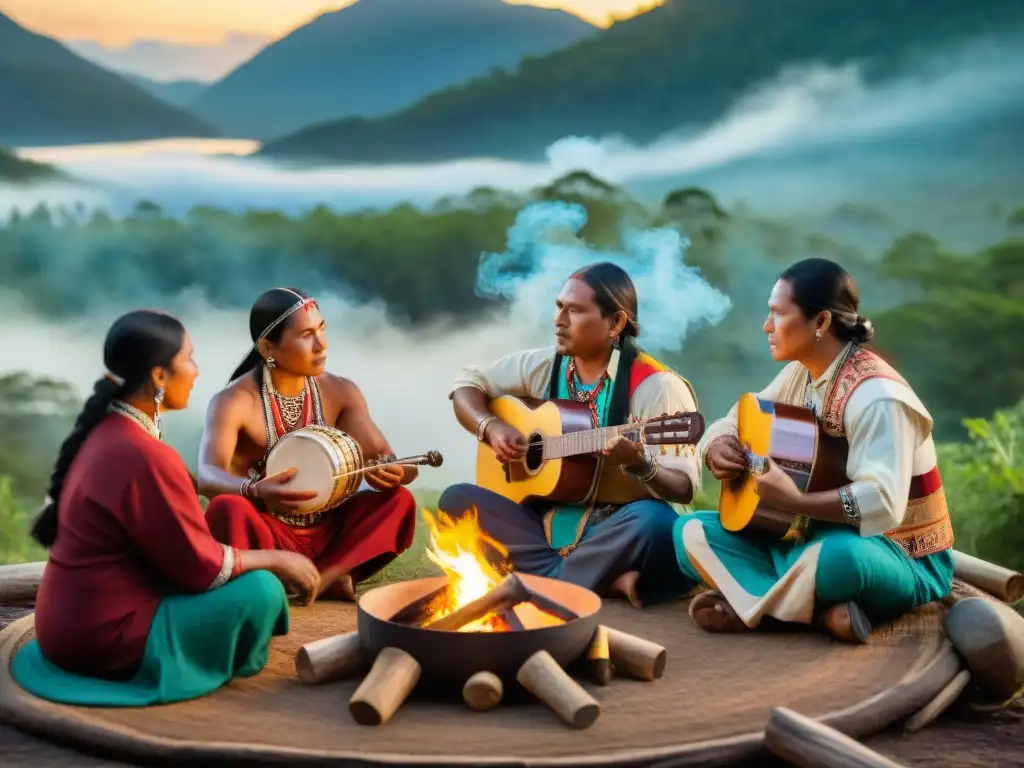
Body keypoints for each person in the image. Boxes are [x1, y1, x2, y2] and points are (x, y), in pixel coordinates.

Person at [12, 310, 318, 706]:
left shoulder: (107, 431)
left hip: (63, 627)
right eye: (188, 358)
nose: (196, 369)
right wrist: (278, 560)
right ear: (159, 376)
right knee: (261, 590)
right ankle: (201, 663)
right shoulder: (142, 454)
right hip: (103, 640)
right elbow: (200, 570)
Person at [673, 258, 955, 644]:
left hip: (896, 553)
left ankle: (760, 605)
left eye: (777, 314)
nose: (766, 326)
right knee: (689, 531)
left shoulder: (878, 397)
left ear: (821, 322)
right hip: (802, 538)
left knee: (837, 561)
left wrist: (795, 501)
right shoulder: (802, 371)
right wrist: (717, 445)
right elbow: (737, 418)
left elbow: (882, 503)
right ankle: (815, 614)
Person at [440, 262, 702, 607]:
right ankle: (591, 579)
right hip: (545, 520)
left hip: (616, 529)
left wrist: (642, 464)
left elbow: (683, 489)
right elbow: (467, 385)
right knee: (457, 499)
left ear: (616, 323)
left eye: (574, 311)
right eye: (559, 307)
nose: (558, 320)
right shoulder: (545, 366)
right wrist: (490, 426)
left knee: (656, 523)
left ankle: (545, 580)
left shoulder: (657, 386)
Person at [198, 287, 417, 601]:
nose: (322, 344)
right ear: (267, 348)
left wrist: (393, 470)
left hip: (328, 530)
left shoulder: (341, 391)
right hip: (266, 533)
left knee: (399, 501)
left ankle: (324, 579)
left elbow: (388, 458)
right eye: (306, 335)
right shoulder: (234, 401)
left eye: (322, 330)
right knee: (226, 508)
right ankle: (293, 577)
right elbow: (208, 475)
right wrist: (255, 489)